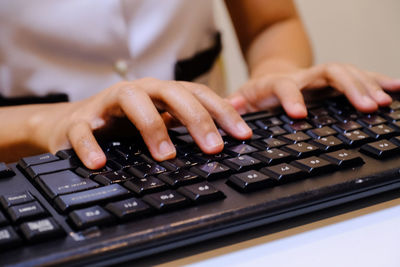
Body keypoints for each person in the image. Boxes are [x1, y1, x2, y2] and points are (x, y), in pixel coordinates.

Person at [0, 0, 399, 169]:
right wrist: (47, 123)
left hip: (205, 156)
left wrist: (274, 72)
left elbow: (271, 22)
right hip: (30, 164)